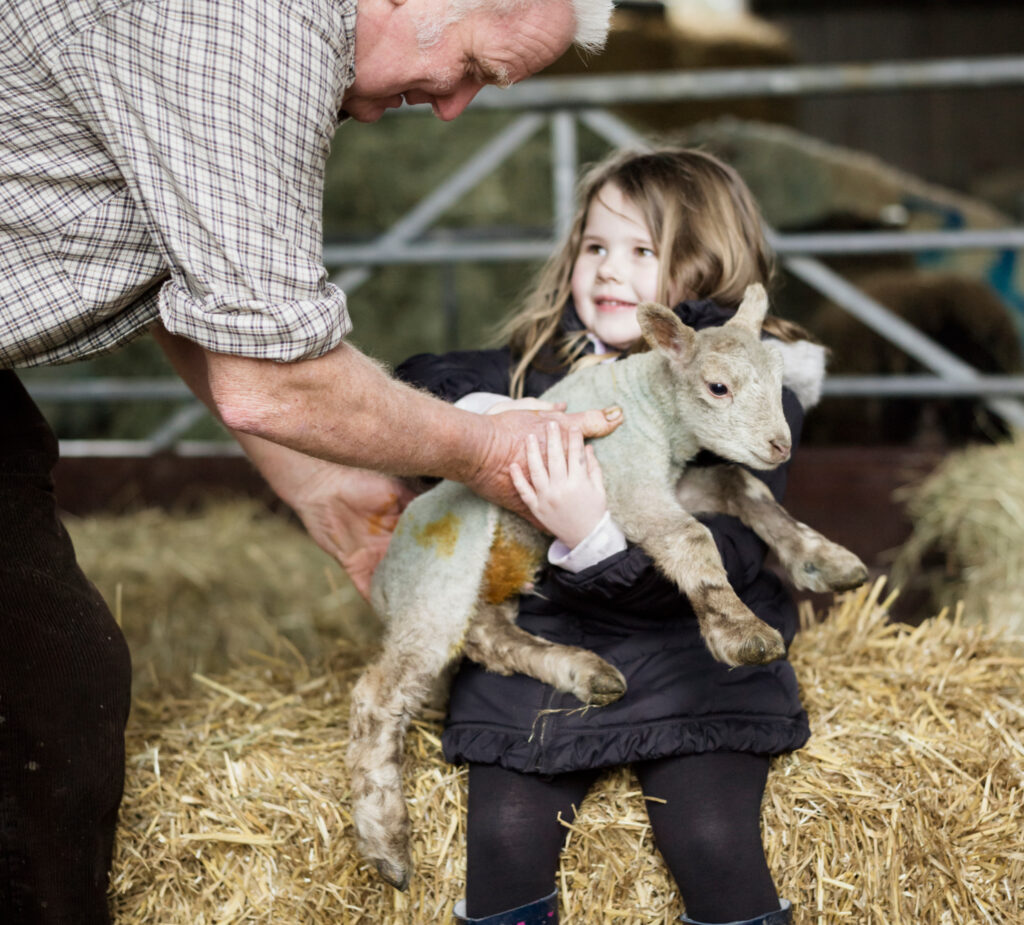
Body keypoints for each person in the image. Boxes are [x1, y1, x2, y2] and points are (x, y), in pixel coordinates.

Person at [0, 0, 618, 921]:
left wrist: (329, 486)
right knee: (49, 698)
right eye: (477, 67)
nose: (454, 108)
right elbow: (272, 378)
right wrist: (489, 449)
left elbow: (201, 284)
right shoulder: (249, 26)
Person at [394, 147, 828, 925]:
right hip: (547, 641)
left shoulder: (739, 387)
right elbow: (421, 378)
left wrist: (590, 532)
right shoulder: (537, 364)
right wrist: (498, 420)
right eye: (595, 247)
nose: (607, 271)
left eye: (641, 251)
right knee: (504, 832)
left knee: (710, 833)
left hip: (686, 648)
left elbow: (729, 547)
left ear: (702, 268)